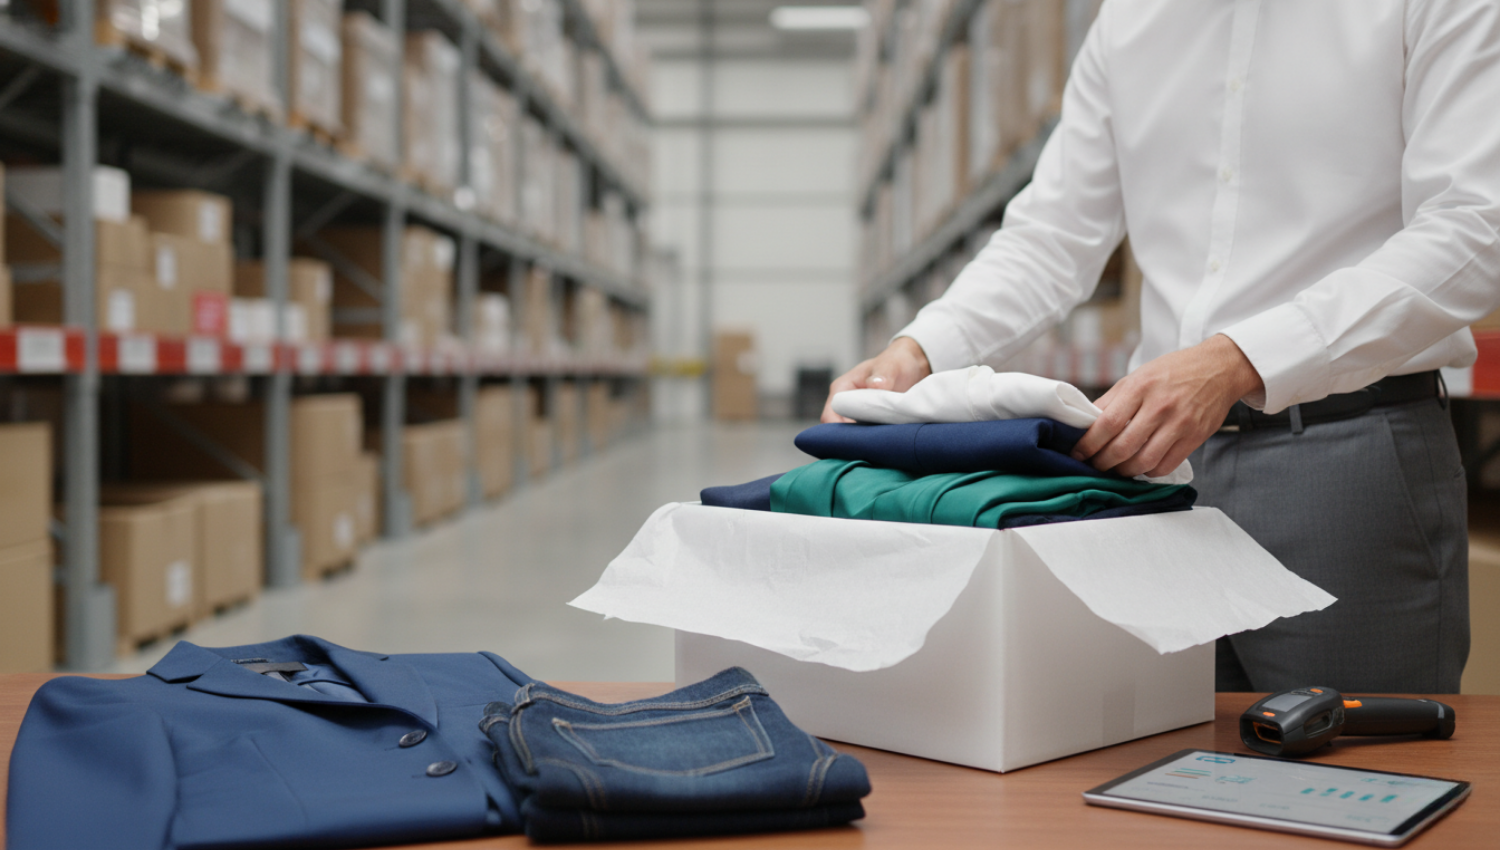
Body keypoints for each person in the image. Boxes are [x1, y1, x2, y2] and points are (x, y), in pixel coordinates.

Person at [824, 0, 1500, 694]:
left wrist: (1237, 359)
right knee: (1157, 766)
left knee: (1359, 777)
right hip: (1156, 471)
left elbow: (1476, 228)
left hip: (1347, 456)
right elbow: (1052, 236)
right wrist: (922, 349)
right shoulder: (1128, 22)